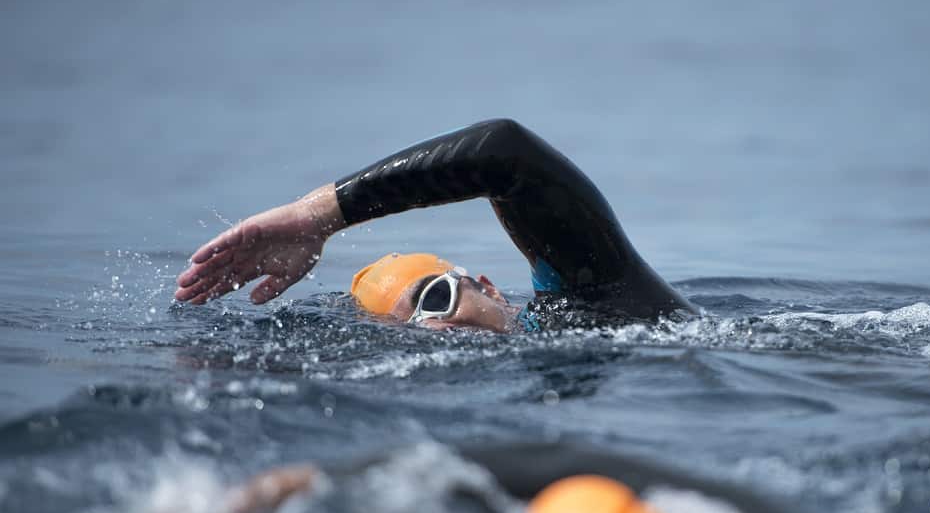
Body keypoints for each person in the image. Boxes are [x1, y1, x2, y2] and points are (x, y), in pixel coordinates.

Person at [174, 118, 695, 331]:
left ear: (486, 287)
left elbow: (505, 152)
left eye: (435, 300)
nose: (438, 330)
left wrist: (319, 215)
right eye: (415, 329)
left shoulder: (593, 300)